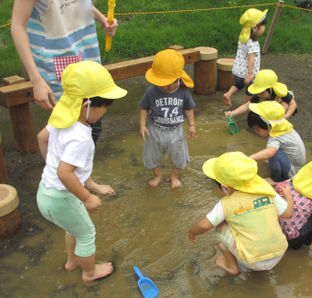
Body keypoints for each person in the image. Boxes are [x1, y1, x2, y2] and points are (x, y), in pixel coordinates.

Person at [36, 61, 127, 282]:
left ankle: (72, 261)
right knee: (87, 234)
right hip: (62, 197)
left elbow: (42, 138)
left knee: (73, 227)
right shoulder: (81, 137)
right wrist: (87, 197)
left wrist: (52, 165)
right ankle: (89, 272)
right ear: (87, 105)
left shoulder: (61, 116)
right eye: (104, 108)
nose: (103, 114)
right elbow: (65, 173)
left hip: (46, 193)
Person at [11, 0, 118, 143]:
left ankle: (75, 163)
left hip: (86, 55)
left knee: (93, 123)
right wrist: (36, 80)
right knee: (72, 130)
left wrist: (102, 19)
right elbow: (18, 25)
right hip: (59, 61)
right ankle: (63, 164)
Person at [188, 152, 293, 275]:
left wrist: (191, 232)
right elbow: (287, 214)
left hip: (252, 261)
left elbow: (203, 226)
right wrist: (289, 197)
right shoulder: (268, 192)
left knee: (220, 226)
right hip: (278, 253)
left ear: (226, 188)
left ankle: (232, 266)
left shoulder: (226, 203)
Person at [139, 49, 196, 188]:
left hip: (176, 131)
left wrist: (192, 125)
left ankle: (174, 176)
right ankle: (157, 175)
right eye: (163, 82)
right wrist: (142, 125)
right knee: (153, 156)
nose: (168, 86)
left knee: (179, 156)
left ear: (178, 78)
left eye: (171, 83)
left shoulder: (183, 91)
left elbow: (188, 108)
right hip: (155, 129)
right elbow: (144, 107)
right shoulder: (151, 91)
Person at [247, 101, 306, 185]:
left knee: (274, 154)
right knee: (270, 154)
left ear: (269, 126)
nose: (256, 132)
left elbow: (271, 152)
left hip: (293, 172)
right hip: (297, 165)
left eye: (257, 129)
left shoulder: (276, 137)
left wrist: (249, 158)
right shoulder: (283, 127)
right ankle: (281, 167)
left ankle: (277, 179)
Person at [223, 8, 268, 108]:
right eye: (263, 25)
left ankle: (228, 94)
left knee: (238, 85)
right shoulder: (254, 43)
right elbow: (251, 59)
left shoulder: (243, 38)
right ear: (255, 27)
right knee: (250, 89)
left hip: (236, 72)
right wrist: (250, 74)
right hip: (247, 74)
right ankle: (246, 105)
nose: (264, 27)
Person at [225, 69, 297, 120]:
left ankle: (280, 120)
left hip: (281, 102)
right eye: (257, 92)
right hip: (271, 103)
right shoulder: (259, 95)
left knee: (284, 105)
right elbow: (247, 106)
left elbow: (293, 104)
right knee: (264, 111)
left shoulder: (281, 92)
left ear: (270, 89)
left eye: (261, 92)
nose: (259, 95)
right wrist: (233, 113)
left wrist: (287, 116)